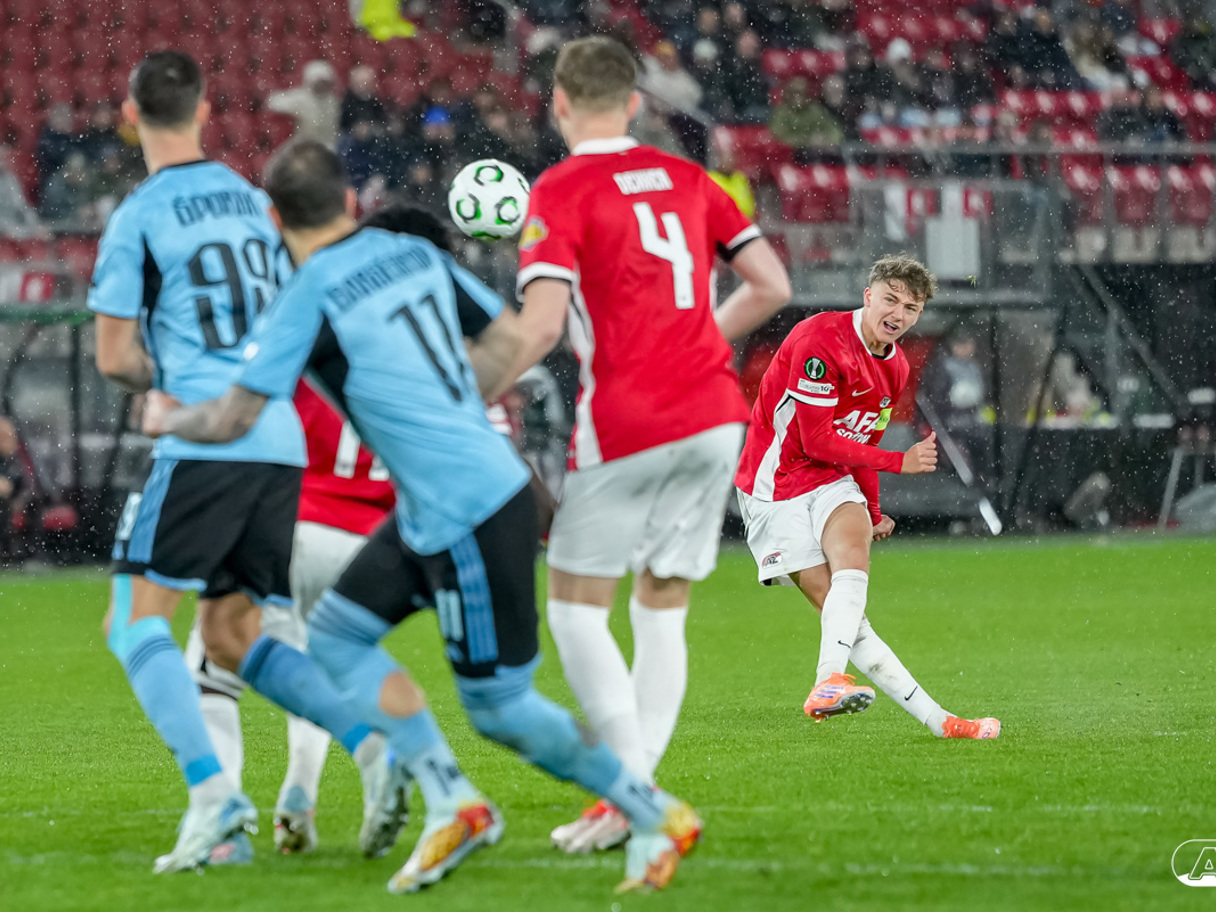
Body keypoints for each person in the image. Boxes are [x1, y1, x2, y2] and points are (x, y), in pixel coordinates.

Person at [142, 139, 704, 895]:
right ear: (349, 202)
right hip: (446, 501)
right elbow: (510, 339)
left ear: (275, 218)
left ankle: (653, 811)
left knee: (501, 709)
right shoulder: (414, 255)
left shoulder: (307, 296)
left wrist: (167, 417)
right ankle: (454, 802)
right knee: (336, 637)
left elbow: (233, 417)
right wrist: (450, 411)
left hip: (467, 509)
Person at [88, 50, 402, 874]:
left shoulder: (139, 216)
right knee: (231, 633)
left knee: (133, 622)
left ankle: (214, 798)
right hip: (278, 443)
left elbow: (115, 357)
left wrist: (163, 379)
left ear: (130, 116)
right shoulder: (255, 203)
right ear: (203, 113)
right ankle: (371, 743)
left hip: (204, 441)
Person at [502, 36, 791, 853]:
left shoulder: (560, 189)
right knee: (662, 599)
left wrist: (464, 384)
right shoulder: (689, 179)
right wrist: (697, 341)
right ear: (634, 104)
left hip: (628, 416)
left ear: (560, 104)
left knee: (574, 606)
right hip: (714, 411)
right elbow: (772, 285)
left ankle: (630, 791)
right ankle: (632, 797)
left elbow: (542, 326)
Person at [734, 254, 1001, 740]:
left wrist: (874, 510)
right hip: (774, 486)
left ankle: (830, 684)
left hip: (831, 480)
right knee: (848, 620)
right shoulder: (821, 341)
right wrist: (900, 462)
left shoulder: (895, 367)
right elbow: (816, 441)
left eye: (911, 307)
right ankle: (937, 720)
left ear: (919, 315)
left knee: (853, 563)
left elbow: (861, 440)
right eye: (890, 300)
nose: (898, 314)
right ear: (868, 295)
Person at [268, 60, 341, 149]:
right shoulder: (300, 98)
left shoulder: (333, 102)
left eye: (325, 82)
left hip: (328, 146)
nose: (322, 86)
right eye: (319, 82)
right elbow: (274, 102)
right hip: (303, 146)